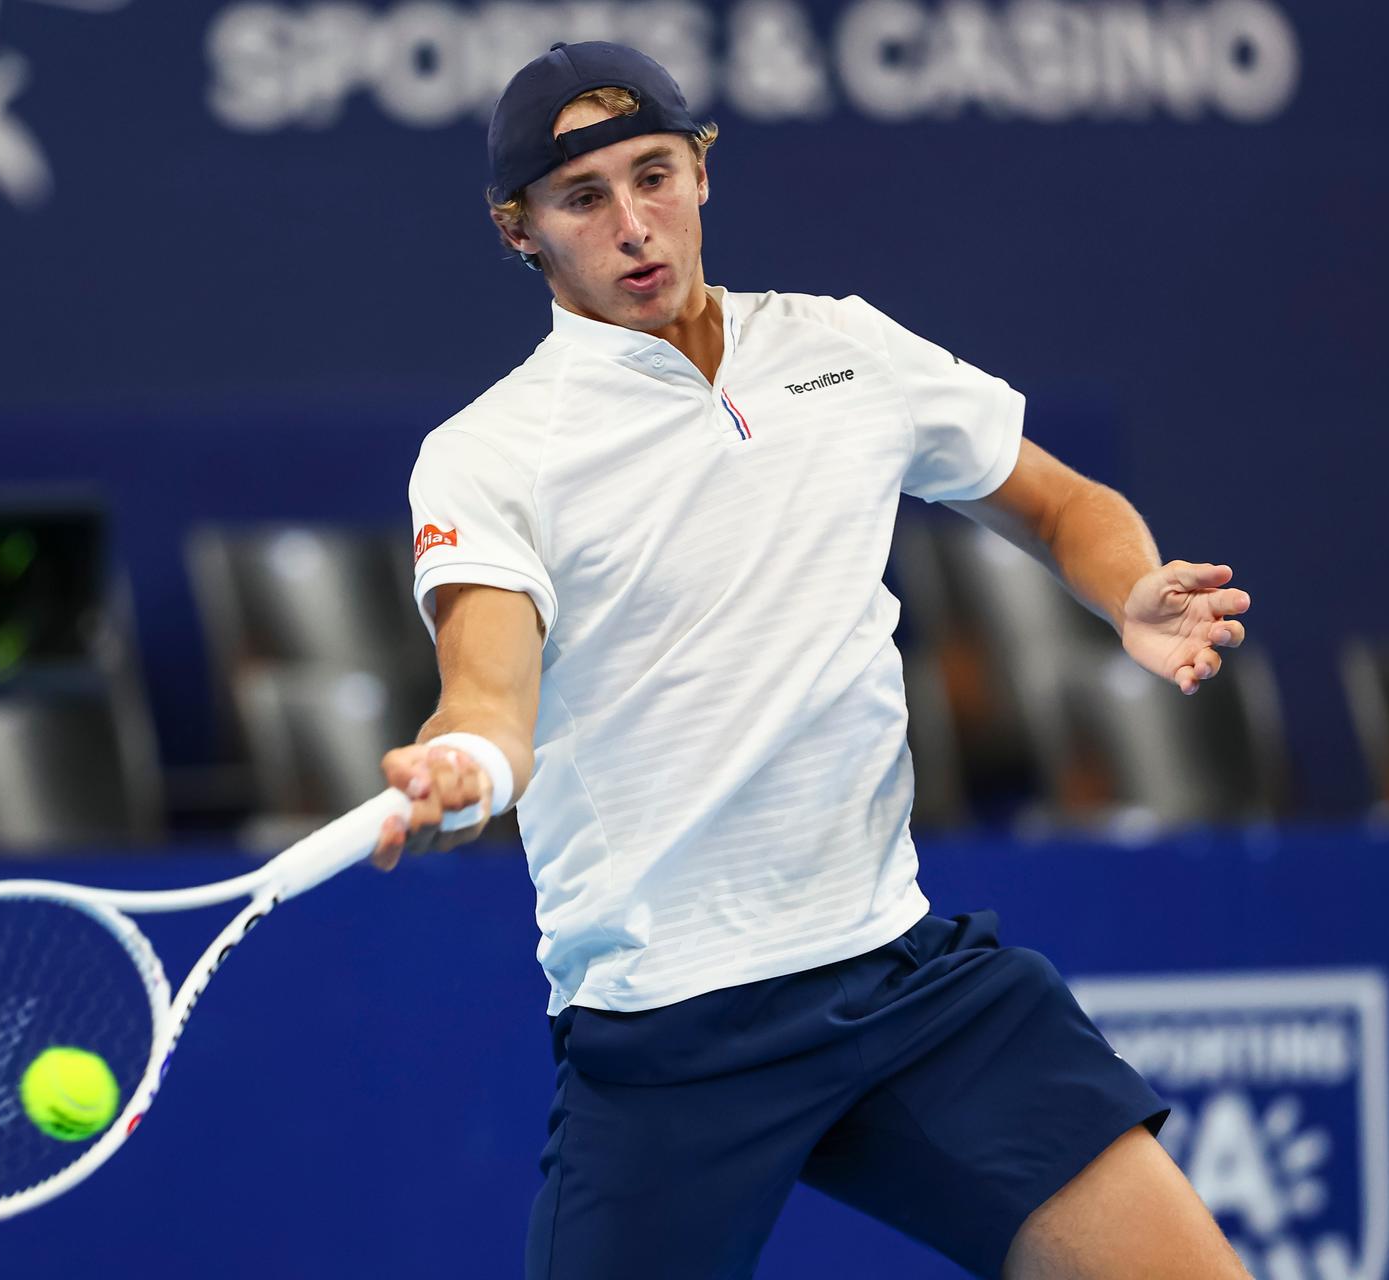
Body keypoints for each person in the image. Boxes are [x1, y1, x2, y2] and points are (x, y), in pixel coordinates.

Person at [370, 40, 1253, 1280]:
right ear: (520, 231)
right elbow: (490, 694)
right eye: (584, 198)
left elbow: (1058, 503)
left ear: (703, 171)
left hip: (898, 977)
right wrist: (466, 769)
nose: (635, 224)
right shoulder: (489, 453)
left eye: (656, 173)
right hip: (671, 1026)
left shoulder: (843, 350)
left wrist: (1131, 590)